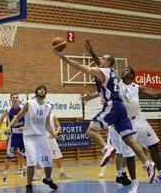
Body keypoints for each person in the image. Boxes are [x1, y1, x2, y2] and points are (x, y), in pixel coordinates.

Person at [53, 42, 156, 184]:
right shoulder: (113, 73)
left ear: (108, 63)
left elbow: (82, 68)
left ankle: (106, 148)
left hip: (112, 106)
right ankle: (148, 163)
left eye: (102, 59)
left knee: (90, 131)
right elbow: (103, 81)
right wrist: (92, 96)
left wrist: (63, 57)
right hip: (121, 108)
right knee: (128, 140)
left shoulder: (105, 71)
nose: (100, 60)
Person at [85, 40, 161, 187]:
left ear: (132, 75)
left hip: (140, 120)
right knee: (129, 155)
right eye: (123, 69)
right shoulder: (117, 83)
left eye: (127, 70)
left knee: (154, 146)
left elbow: (155, 95)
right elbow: (102, 70)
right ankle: (135, 185)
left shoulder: (136, 87)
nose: (124, 70)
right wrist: (91, 96)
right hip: (125, 120)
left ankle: (160, 172)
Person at [6, 85, 60, 193]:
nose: (42, 90)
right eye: (40, 89)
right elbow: (18, 116)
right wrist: (9, 126)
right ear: (36, 92)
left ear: (46, 93)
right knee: (31, 161)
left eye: (44, 89)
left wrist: (55, 135)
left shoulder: (48, 107)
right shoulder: (29, 103)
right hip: (29, 137)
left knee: (48, 161)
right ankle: (29, 185)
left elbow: (47, 126)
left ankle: (48, 179)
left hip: (41, 137)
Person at [0, 93, 27, 185]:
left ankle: (25, 169)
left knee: (26, 154)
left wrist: (25, 127)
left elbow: (30, 120)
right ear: (10, 100)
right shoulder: (7, 110)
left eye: (16, 97)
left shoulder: (24, 108)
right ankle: (5, 175)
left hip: (22, 134)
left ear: (18, 99)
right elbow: (1, 119)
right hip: (12, 135)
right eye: (13, 98)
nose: (15, 99)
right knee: (9, 156)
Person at [34, 114, 70, 180]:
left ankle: (61, 173)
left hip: (51, 140)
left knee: (57, 157)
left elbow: (59, 127)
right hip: (42, 140)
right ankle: (38, 175)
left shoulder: (53, 116)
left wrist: (55, 133)